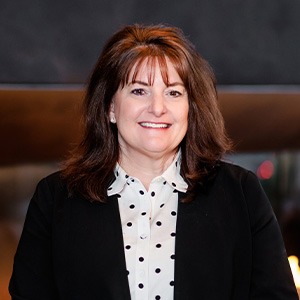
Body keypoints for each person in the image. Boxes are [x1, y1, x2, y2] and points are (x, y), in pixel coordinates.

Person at [9, 24, 298, 300]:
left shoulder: (241, 194)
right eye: (139, 91)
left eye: (173, 92)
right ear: (110, 107)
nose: (157, 108)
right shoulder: (55, 199)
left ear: (190, 108)